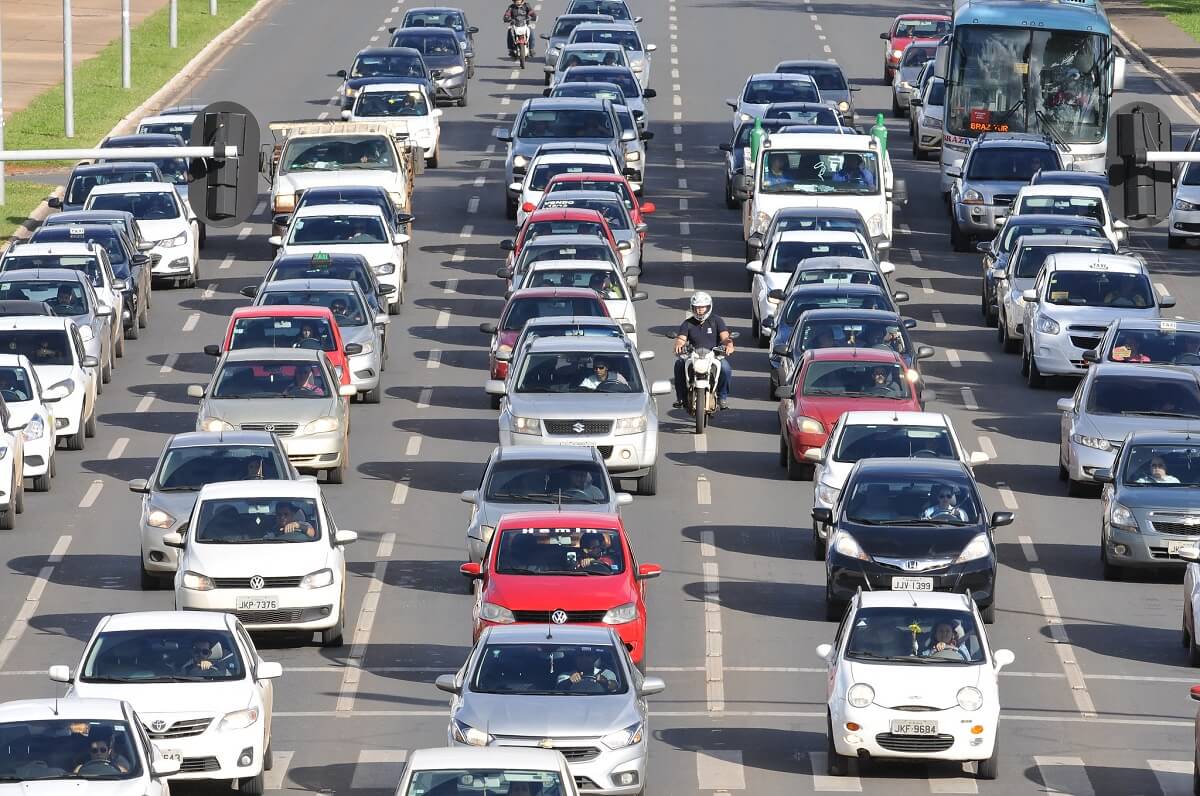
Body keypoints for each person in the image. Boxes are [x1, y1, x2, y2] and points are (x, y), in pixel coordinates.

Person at [674, 292, 734, 410]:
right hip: (693, 355)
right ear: (692, 308)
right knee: (679, 364)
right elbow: (681, 339)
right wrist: (679, 345)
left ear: (708, 307)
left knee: (726, 368)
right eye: (697, 307)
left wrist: (729, 345)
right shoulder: (688, 323)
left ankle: (722, 398)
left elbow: (725, 337)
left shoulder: (717, 321)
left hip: (713, 355)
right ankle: (681, 398)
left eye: (702, 307)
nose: (700, 310)